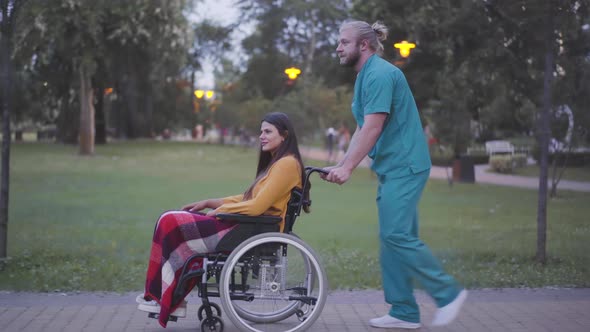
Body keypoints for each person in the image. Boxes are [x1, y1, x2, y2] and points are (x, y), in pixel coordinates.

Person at [323, 20, 467, 329]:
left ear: (364, 45)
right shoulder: (367, 76)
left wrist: (348, 168)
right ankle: (404, 311)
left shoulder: (382, 74)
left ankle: (448, 293)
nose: (338, 47)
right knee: (394, 237)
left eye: (344, 42)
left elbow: (374, 125)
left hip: (406, 165)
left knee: (396, 235)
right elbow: (363, 126)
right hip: (392, 167)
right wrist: (342, 163)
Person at [136, 112, 310, 328]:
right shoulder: (279, 162)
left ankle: (164, 297)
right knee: (168, 219)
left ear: (284, 135)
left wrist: (222, 211)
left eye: (267, 131)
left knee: (170, 221)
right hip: (246, 224)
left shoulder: (286, 164)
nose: (261, 136)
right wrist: (212, 202)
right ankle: (168, 297)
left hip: (250, 228)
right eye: (261, 131)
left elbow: (257, 206)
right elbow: (250, 198)